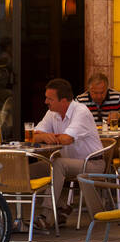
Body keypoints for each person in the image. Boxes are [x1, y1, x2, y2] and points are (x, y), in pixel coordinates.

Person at [33, 77, 105, 222]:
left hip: (92, 164)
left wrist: (46, 136)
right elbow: (34, 137)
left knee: (57, 164)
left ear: (64, 101)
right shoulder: (52, 112)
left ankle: (46, 217)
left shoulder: (81, 111)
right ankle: (61, 206)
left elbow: (67, 139)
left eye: (50, 99)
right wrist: (44, 136)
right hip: (69, 163)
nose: (45, 102)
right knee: (29, 170)